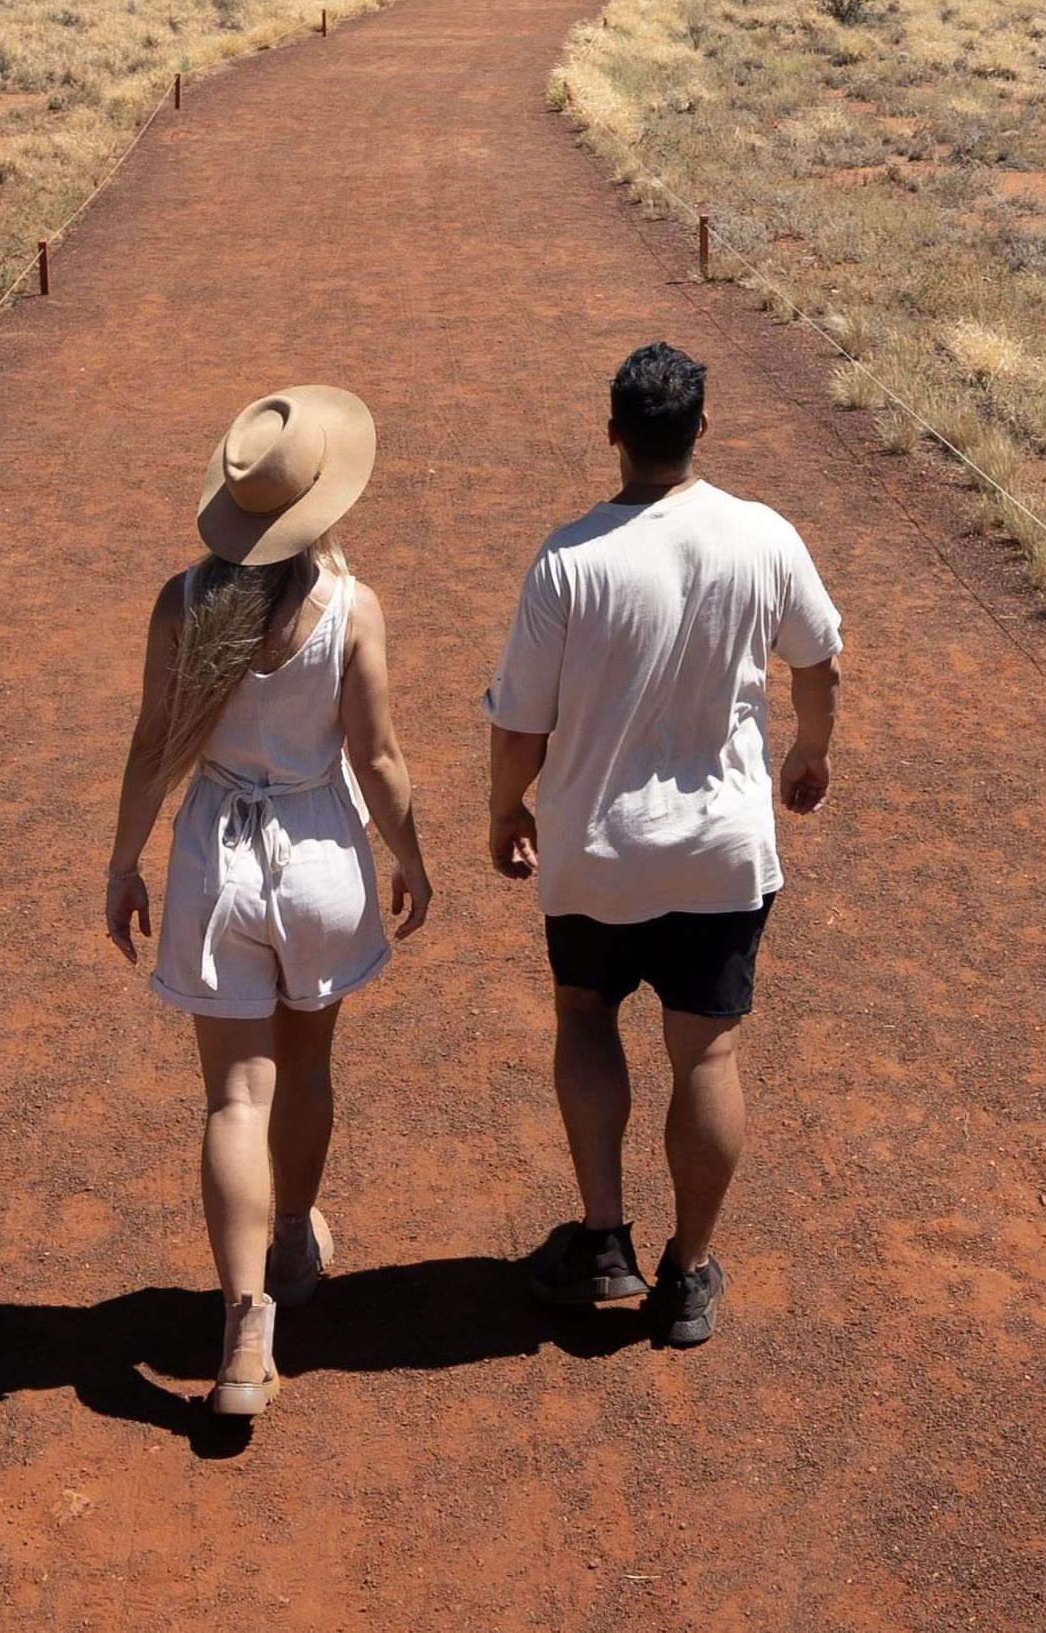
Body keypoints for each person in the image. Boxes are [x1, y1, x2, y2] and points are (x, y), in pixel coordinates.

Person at [483, 341, 842, 1351]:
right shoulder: (762, 534)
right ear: (700, 431)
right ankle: (687, 1271)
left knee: (585, 1014)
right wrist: (810, 753)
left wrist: (505, 808)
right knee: (709, 1047)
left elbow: (520, 725)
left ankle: (603, 1238)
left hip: (593, 850)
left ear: (614, 432)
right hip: (721, 851)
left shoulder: (568, 559)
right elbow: (820, 660)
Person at [102, 384, 433, 1420]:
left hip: (218, 860)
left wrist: (122, 861)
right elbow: (377, 758)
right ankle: (294, 1237)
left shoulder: (182, 602)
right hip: (323, 854)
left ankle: (246, 1328)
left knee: (234, 1098)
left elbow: (154, 746)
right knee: (310, 1063)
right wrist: (412, 856)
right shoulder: (352, 607)